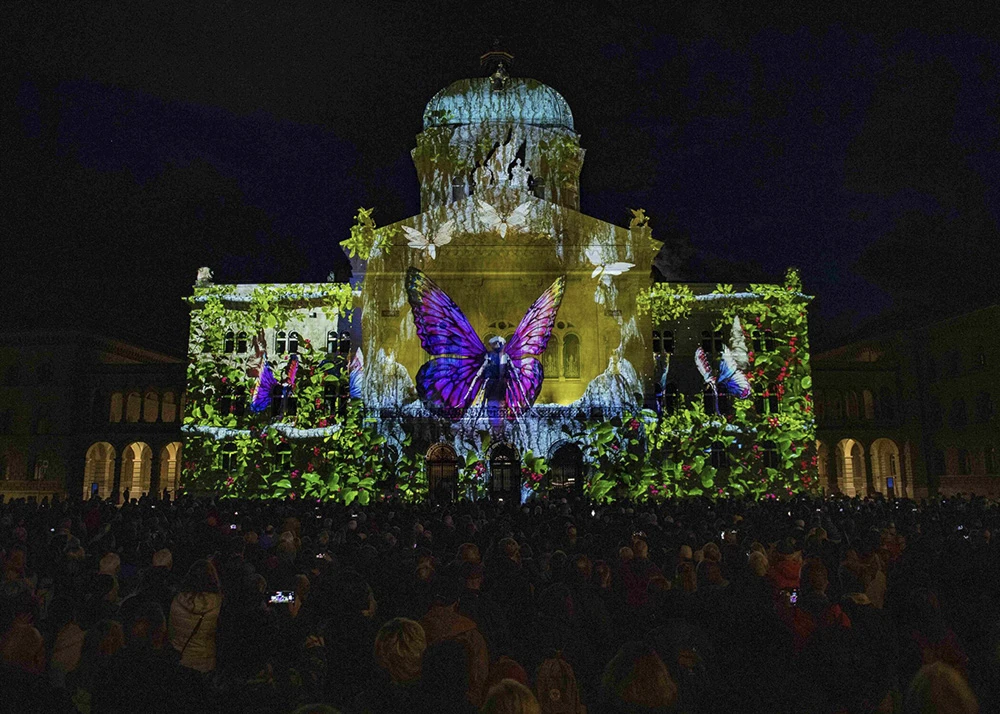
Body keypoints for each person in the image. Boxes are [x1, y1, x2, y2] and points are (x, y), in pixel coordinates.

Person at [168, 559, 222, 673]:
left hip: (181, 659)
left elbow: (171, 631)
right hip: (205, 661)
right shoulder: (218, 604)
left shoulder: (177, 601)